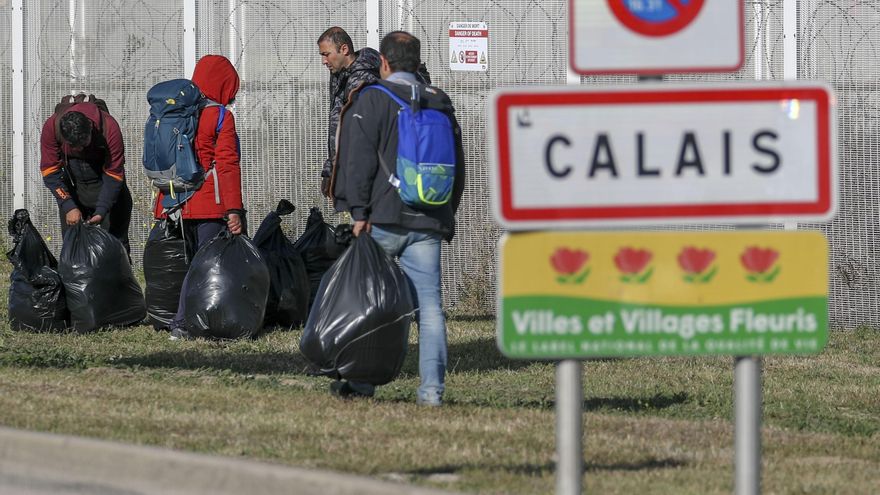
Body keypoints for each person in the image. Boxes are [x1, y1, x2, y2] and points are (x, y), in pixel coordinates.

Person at [330, 31, 466, 406]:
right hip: (427, 222)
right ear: (416, 61)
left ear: (384, 63)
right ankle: (432, 392)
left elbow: (358, 161)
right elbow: (457, 167)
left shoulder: (372, 99)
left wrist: (357, 212)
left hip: (381, 220)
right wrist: (444, 213)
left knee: (369, 301)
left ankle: (361, 383)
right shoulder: (439, 102)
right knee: (430, 308)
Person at [150, 54, 245, 340]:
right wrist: (234, 209)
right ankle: (181, 325)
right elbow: (227, 164)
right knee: (204, 266)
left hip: (173, 199)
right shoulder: (219, 116)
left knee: (190, 263)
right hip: (208, 203)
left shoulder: (173, 112)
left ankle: (193, 319)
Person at [40, 96, 133, 253]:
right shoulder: (52, 127)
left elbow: (114, 174)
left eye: (83, 144)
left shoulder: (110, 128)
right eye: (73, 146)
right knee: (74, 248)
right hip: (74, 187)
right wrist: (68, 206)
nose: (79, 149)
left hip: (107, 186)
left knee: (115, 247)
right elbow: (50, 171)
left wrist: (102, 210)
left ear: (90, 127)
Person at [317, 26, 381, 198]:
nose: (324, 61)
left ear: (344, 49)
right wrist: (330, 170)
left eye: (326, 54)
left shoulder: (362, 80)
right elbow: (337, 125)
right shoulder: (341, 74)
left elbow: (360, 136)